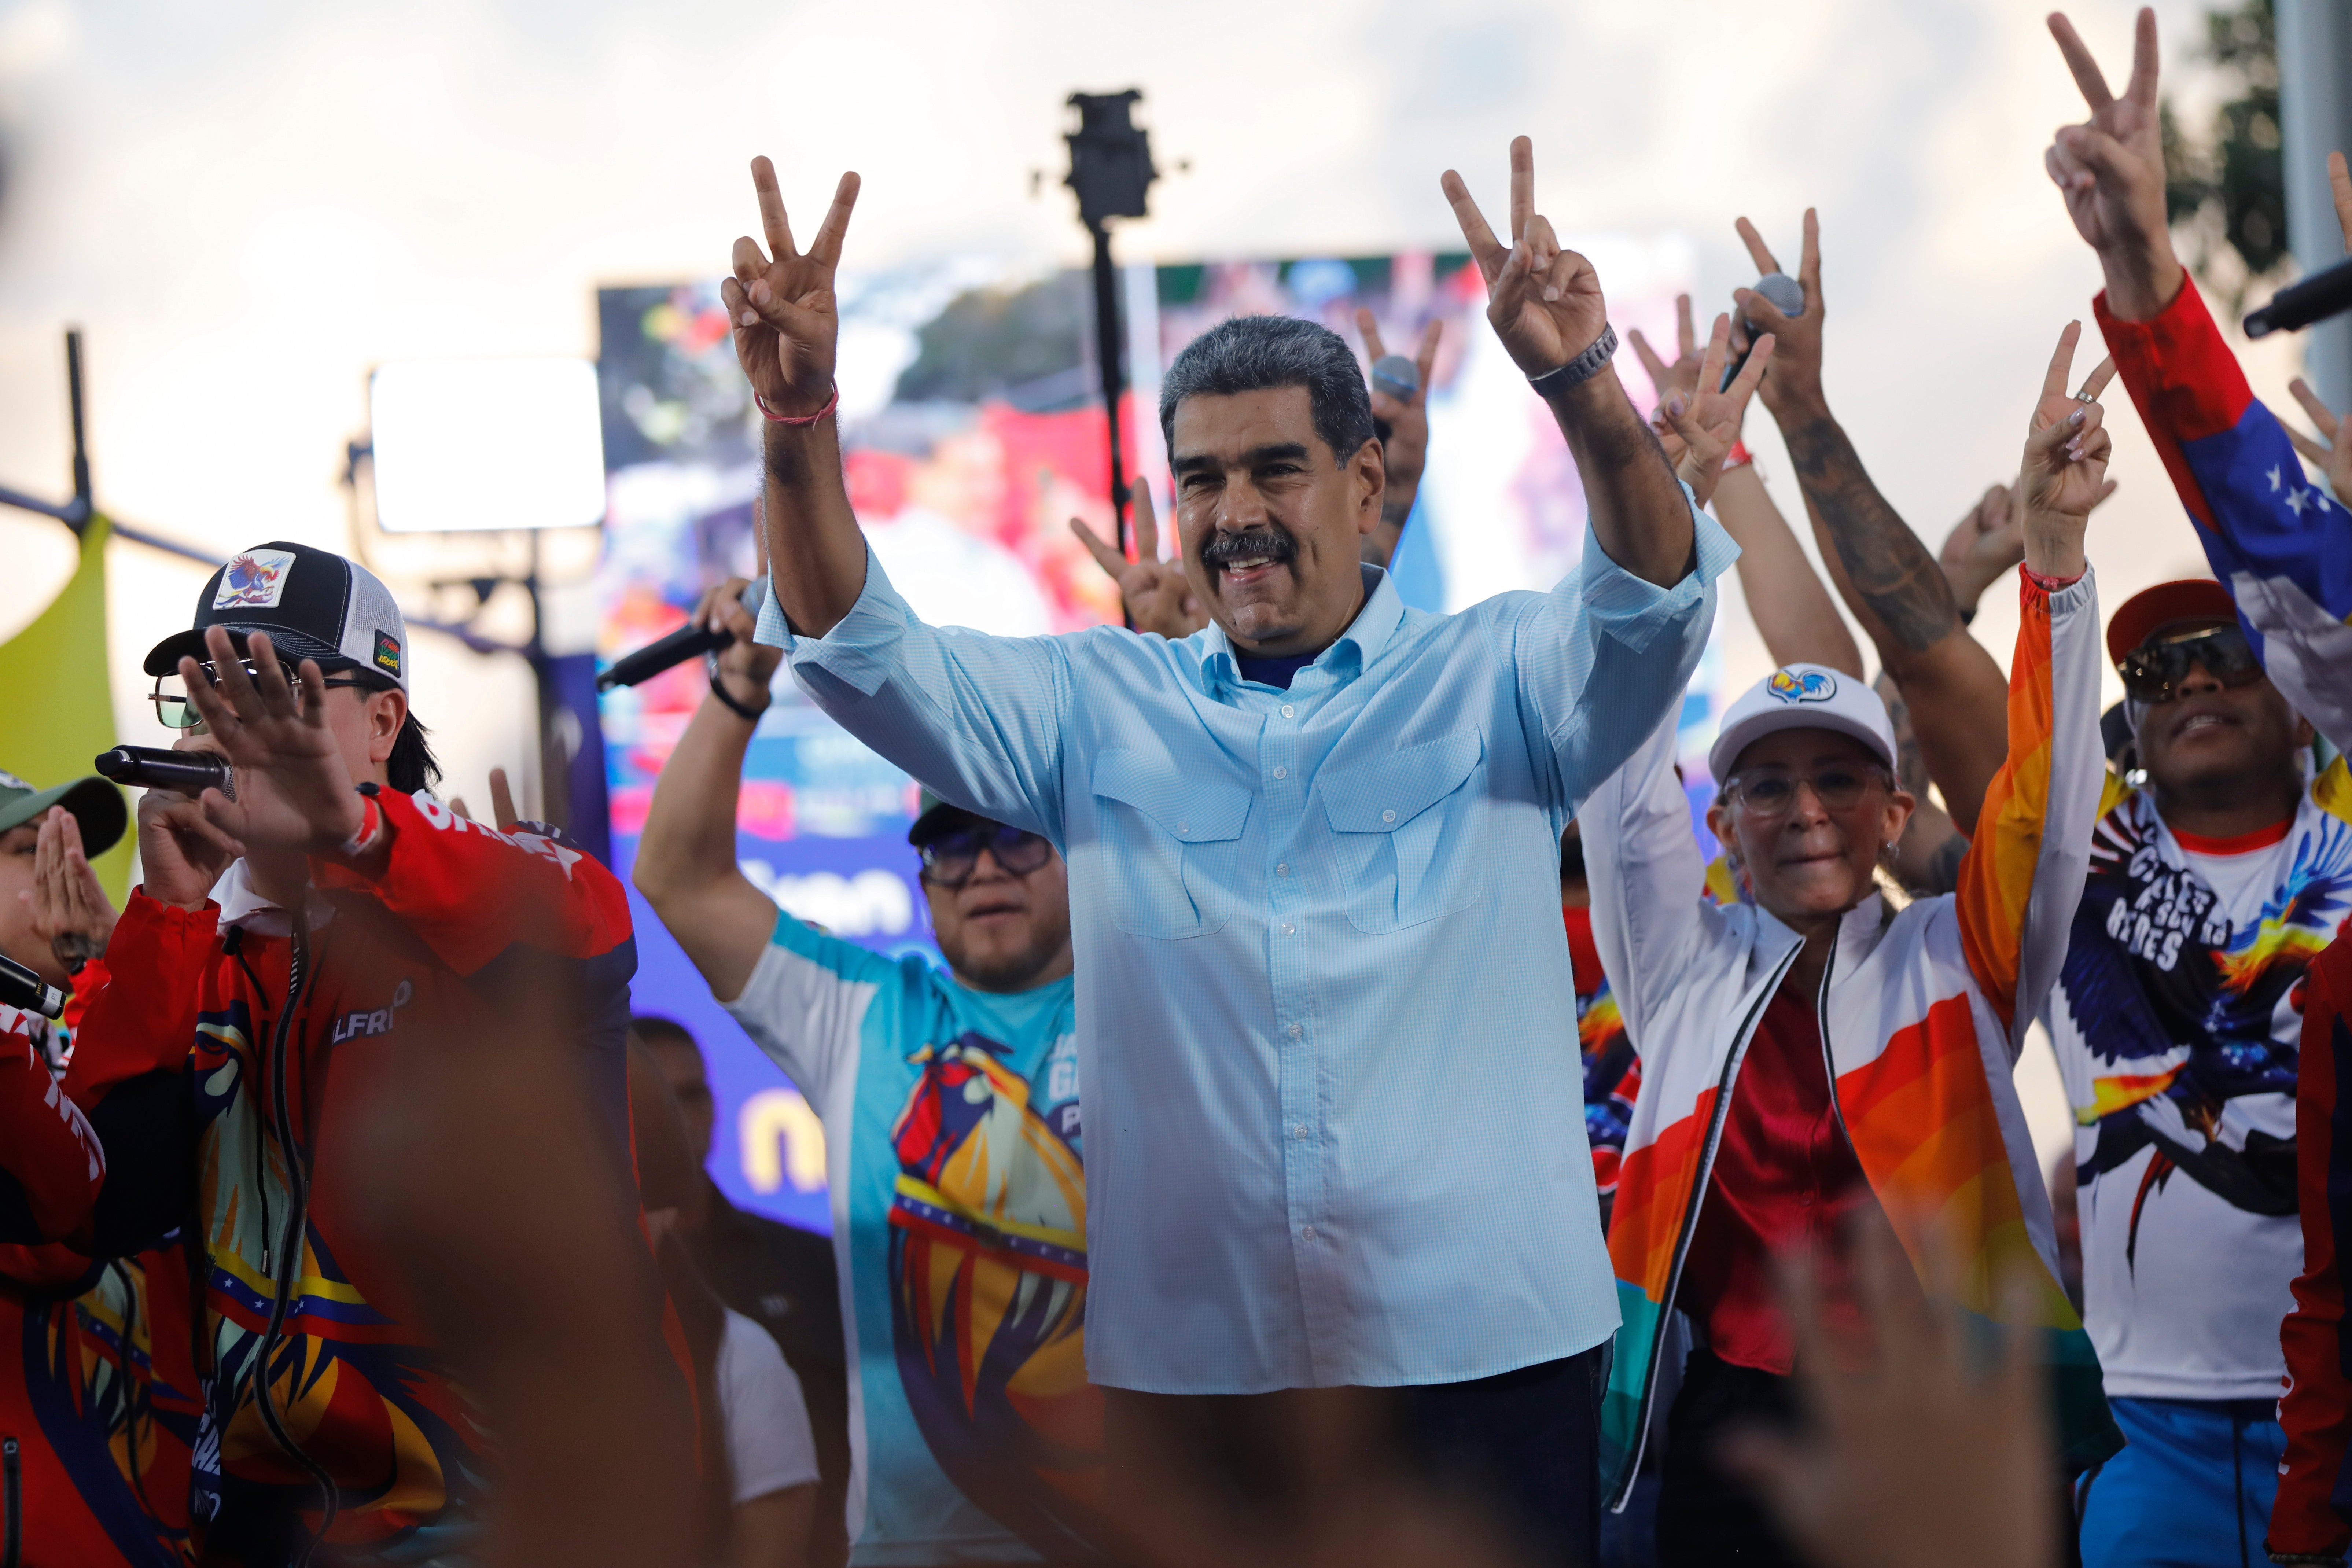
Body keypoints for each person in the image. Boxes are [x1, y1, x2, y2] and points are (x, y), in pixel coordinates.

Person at [720, 135, 1735, 1563]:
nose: (1232, 515)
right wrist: (797, 416)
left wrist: (1578, 384)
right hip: (1199, 1387)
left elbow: (1649, 602)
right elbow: (853, 647)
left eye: (1273, 468)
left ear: (1365, 480)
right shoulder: (1093, 706)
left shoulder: (1496, 677)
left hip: (1484, 1365)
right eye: (1199, 480)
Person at [0, 541, 653, 1564]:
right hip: (263, 1530)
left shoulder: (481, 896)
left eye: (275, 688)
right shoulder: (194, 943)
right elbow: (97, 1211)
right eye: (206, 689)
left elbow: (595, 933)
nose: (233, 723)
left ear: (383, 722)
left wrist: (352, 832)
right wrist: (163, 911)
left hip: (512, 1517)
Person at [1584, 322, 2121, 1565]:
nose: (1805, 810)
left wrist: (2054, 562)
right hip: (1730, 1433)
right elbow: (1615, 771)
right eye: (1765, 787)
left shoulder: (1961, 956)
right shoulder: (1680, 968)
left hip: (1950, 1425)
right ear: (1719, 821)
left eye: (1838, 779)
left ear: (1895, 812)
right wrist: (1665, 498)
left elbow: (2042, 805)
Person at [2007, 13, 2352, 1563]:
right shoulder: (2082, 852)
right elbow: (2275, 551)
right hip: (2163, 1442)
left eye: (2225, 656)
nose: (2200, 680)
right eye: (2159, 675)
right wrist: (2143, 271)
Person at [632, 576, 1094, 1564]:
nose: (983, 868)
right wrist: (741, 686)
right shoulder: (863, 1013)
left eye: (1014, 834)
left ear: (1075, 856)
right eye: (952, 844)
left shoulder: (1152, 1004)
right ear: (922, 883)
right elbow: (676, 877)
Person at [635, 1014, 851, 1568]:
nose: (679, 1121)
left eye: (691, 1095)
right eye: (657, 1101)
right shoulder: (578, 1294)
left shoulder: (815, 1263)